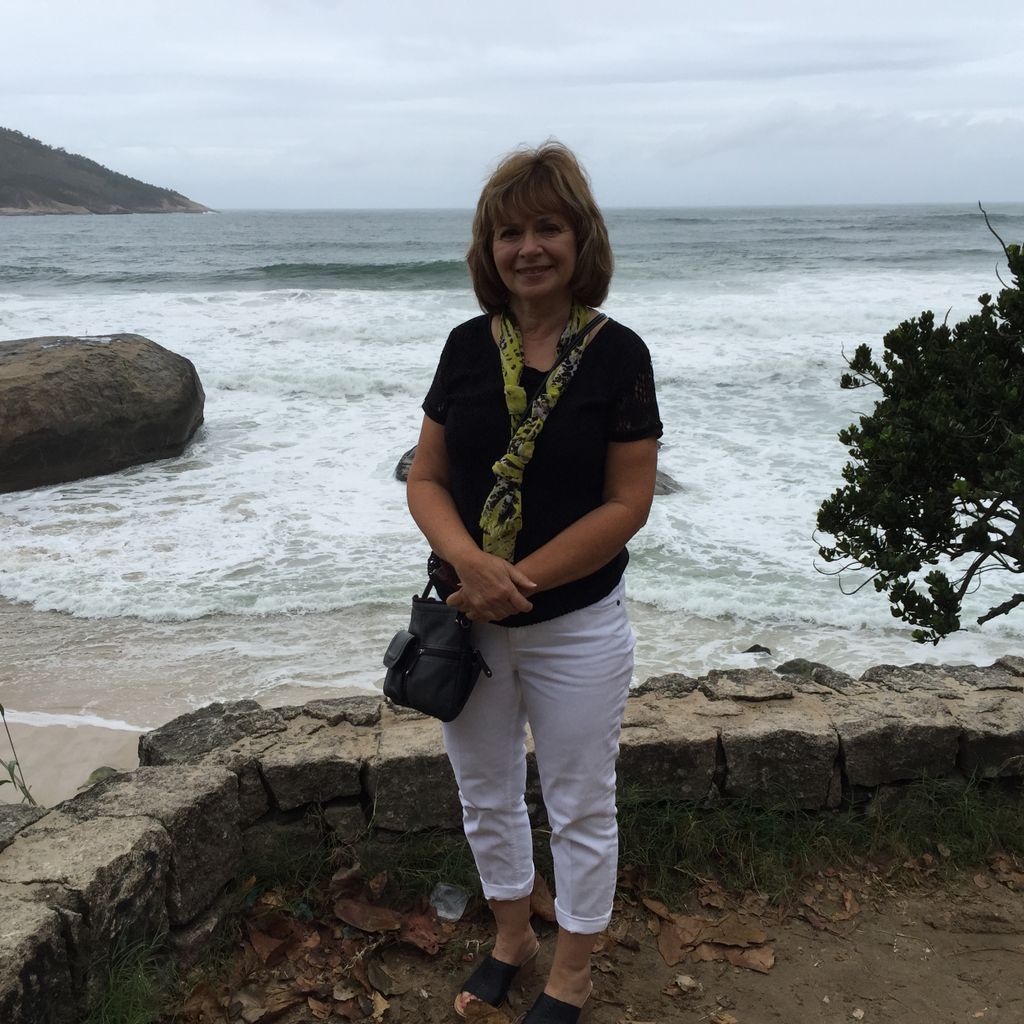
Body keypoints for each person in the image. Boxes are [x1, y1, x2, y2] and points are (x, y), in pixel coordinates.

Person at [406, 141, 661, 1023]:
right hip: (465, 620)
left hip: (577, 623)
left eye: (547, 226)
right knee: (485, 793)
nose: (529, 248)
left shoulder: (620, 353)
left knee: (580, 799)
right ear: (489, 250)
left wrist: (508, 579)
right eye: (509, 231)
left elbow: (628, 501)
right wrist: (469, 568)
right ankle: (512, 937)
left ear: (580, 238)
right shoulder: (465, 348)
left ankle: (573, 971)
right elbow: (427, 477)